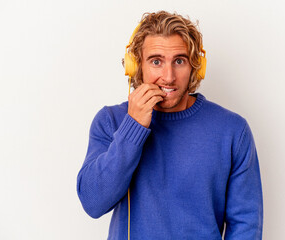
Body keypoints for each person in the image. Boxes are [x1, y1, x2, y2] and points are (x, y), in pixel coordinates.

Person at [77, 11, 263, 240]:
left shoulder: (233, 131)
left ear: (195, 66)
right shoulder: (111, 121)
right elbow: (93, 202)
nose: (168, 77)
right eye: (156, 61)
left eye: (179, 61)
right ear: (136, 67)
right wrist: (132, 127)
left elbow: (246, 224)